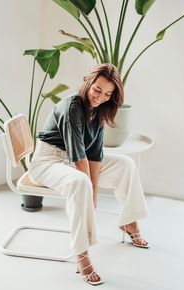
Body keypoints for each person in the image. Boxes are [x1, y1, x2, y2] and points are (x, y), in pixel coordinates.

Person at [28, 63, 149, 286]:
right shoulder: (71, 106)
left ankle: (129, 221)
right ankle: (81, 253)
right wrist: (91, 192)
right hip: (47, 161)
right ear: (88, 82)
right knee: (80, 182)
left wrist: (93, 192)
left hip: (75, 158)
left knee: (126, 165)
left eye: (108, 93)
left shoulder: (101, 108)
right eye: (97, 90)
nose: (101, 96)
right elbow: (79, 158)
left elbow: (94, 154)